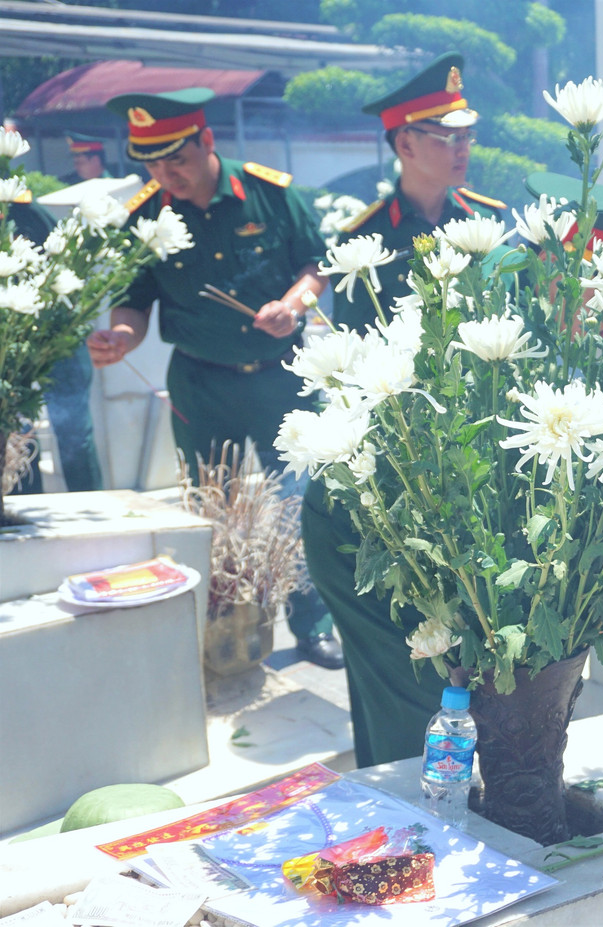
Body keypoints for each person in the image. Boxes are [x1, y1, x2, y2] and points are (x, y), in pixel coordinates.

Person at [299, 58, 603, 768]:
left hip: (441, 529)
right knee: (420, 710)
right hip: (369, 519)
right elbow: (516, 522)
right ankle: (403, 857)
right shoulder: (511, 352)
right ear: (565, 273)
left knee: (469, 718)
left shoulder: (592, 357)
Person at [85, 88, 343, 669]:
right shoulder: (148, 216)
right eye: (150, 163)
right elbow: (133, 300)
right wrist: (120, 337)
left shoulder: (271, 195)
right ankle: (228, 629)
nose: (164, 173)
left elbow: (315, 265)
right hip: (201, 386)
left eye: (175, 157)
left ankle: (312, 622)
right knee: (215, 511)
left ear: (207, 141)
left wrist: (293, 305)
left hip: (281, 380)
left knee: (299, 506)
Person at [334, 52, 507, 321]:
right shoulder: (363, 239)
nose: (464, 151)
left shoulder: (483, 218)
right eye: (451, 138)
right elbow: (357, 342)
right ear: (405, 144)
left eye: (466, 137)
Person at [9, 196, 104, 492]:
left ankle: (90, 504)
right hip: (10, 343)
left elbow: (69, 268)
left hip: (56, 333)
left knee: (74, 432)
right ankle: (25, 510)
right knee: (17, 436)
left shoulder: (23, 210)